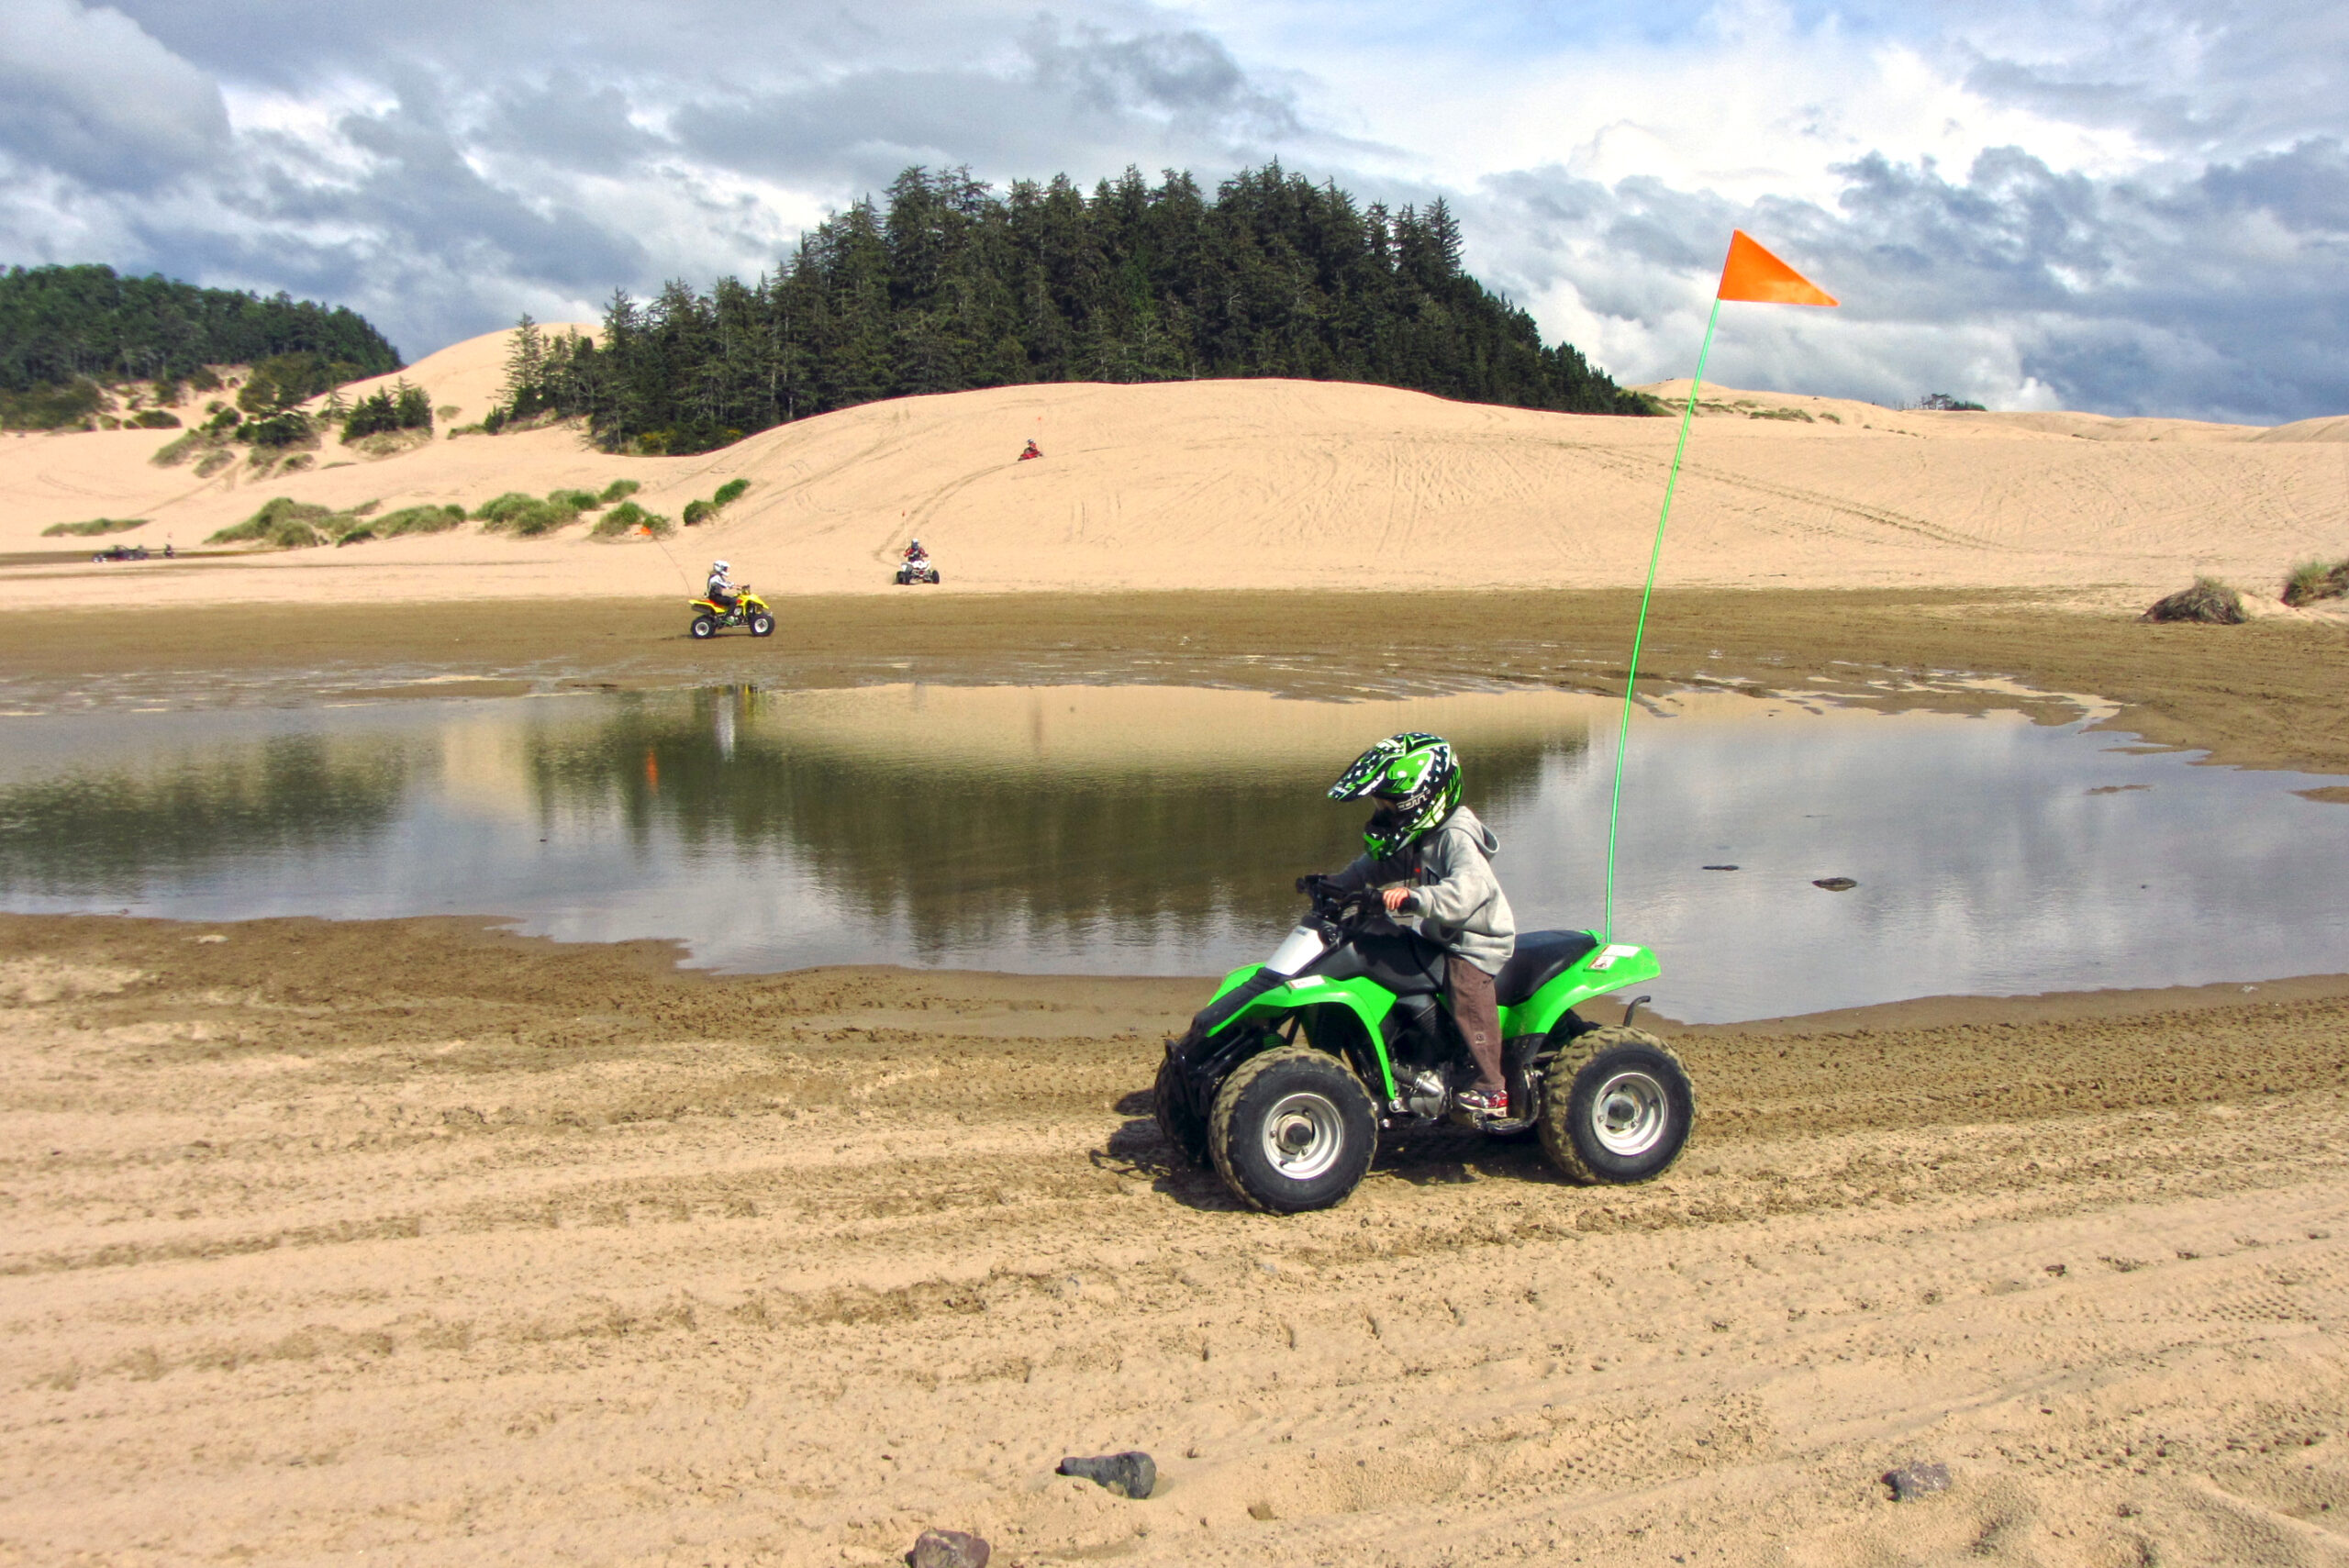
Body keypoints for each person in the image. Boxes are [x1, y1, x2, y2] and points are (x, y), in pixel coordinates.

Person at [1311, 732, 1517, 1116]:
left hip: (1475, 943)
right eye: (1380, 804)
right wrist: (1338, 883)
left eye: (1390, 805)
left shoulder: (1455, 836)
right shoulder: (1422, 834)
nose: (1383, 813)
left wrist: (1416, 898)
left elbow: (1468, 892)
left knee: (1466, 991)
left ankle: (1492, 1087)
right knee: (1383, 943)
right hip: (1442, 935)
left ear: (1421, 800)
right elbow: (1380, 865)